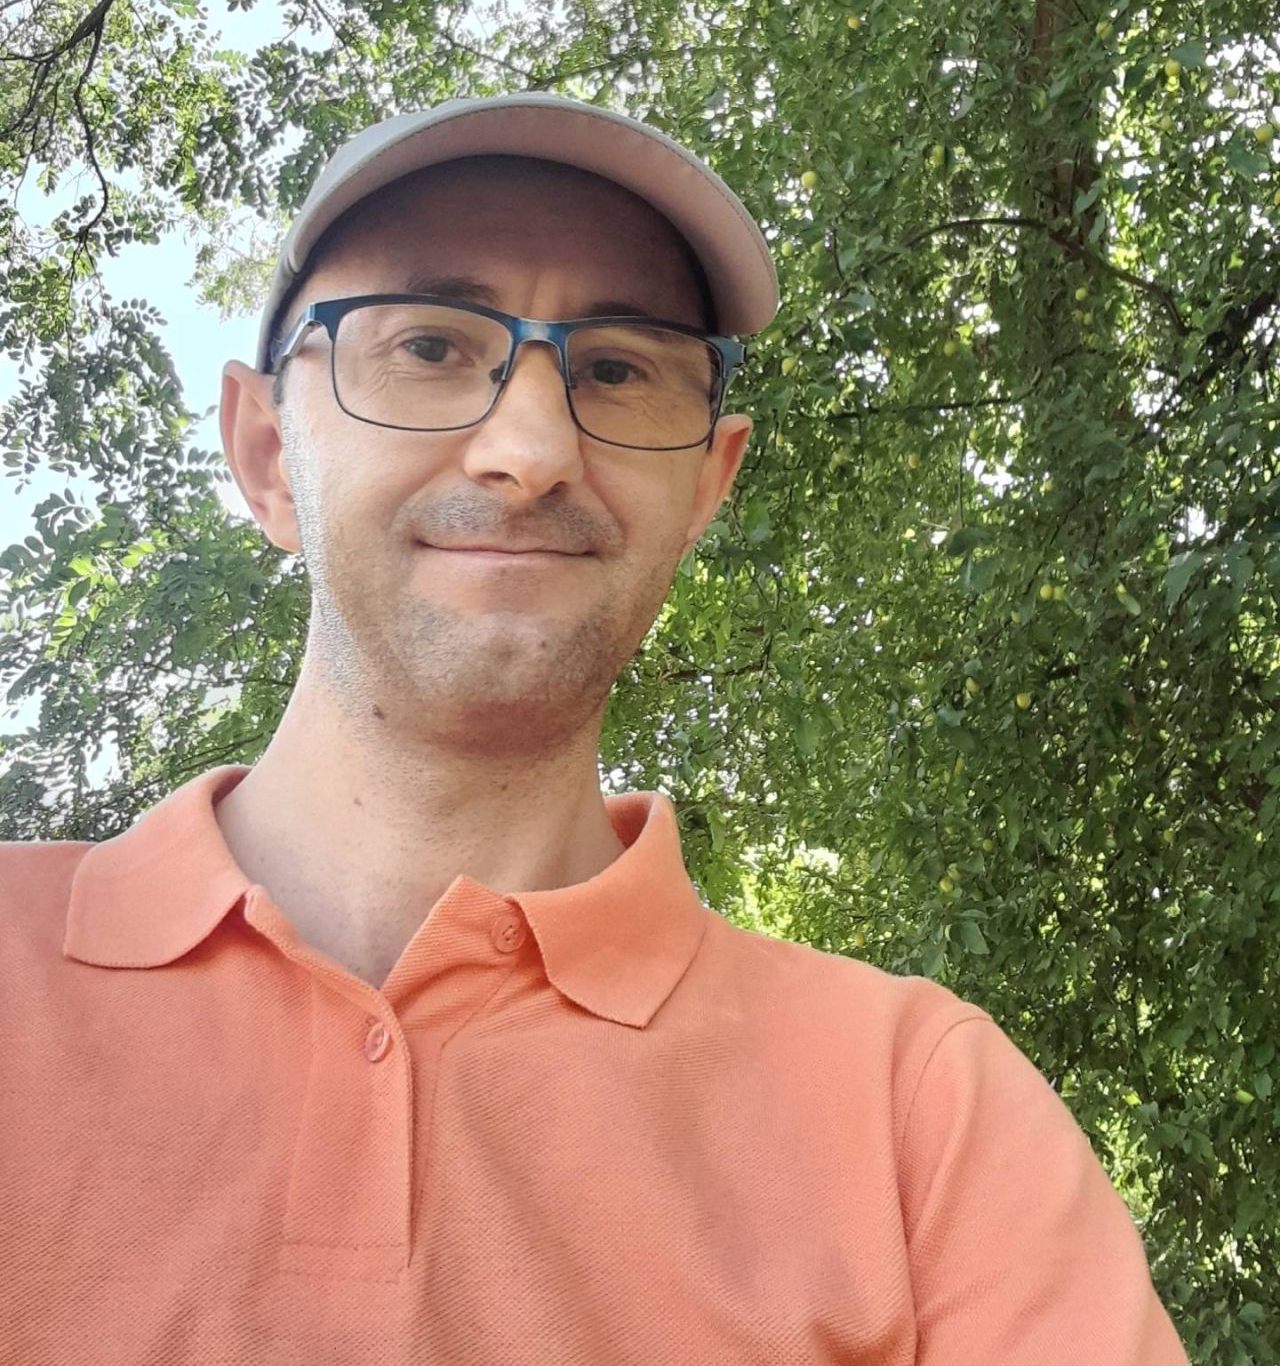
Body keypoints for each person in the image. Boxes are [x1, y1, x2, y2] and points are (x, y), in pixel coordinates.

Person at [2, 93, 1189, 1363]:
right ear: (265, 454)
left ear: (705, 484)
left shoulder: (921, 1114)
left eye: (616, 369)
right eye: (428, 346)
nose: (530, 450)